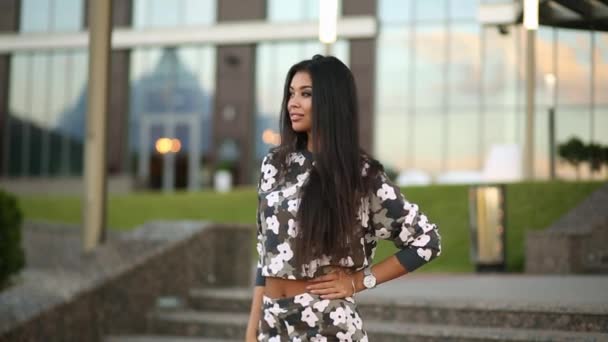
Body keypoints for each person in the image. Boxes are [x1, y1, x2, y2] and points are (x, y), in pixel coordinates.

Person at [246, 55, 441, 341]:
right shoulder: (275, 164)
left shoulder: (361, 175)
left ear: (331, 101)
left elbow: (427, 240)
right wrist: (253, 328)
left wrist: (359, 281)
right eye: (291, 93)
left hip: (326, 323)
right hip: (272, 322)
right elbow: (266, 252)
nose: (292, 103)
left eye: (306, 94)